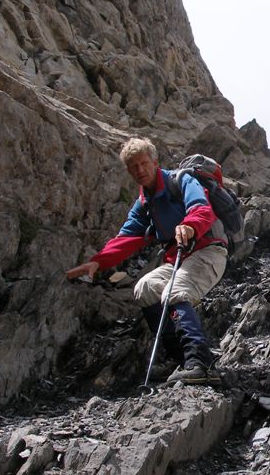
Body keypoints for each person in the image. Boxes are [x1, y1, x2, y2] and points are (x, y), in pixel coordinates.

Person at [66, 137, 227, 384]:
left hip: (208, 252)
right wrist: (98, 262)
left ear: (155, 162)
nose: (140, 170)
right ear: (129, 171)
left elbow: (201, 208)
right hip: (178, 259)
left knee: (174, 292)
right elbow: (127, 237)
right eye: (133, 167)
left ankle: (201, 363)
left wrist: (189, 226)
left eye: (143, 163)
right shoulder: (144, 204)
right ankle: (182, 360)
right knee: (145, 288)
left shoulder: (182, 180)